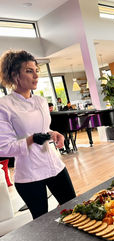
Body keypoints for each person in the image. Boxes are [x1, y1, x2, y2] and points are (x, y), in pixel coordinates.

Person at [0, 50, 76, 219]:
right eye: (29, 71)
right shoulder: (4, 106)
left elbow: (44, 129)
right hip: (29, 174)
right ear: (14, 75)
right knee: (42, 223)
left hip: (54, 166)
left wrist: (54, 134)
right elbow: (3, 148)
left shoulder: (40, 101)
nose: (35, 76)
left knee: (73, 210)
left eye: (36, 71)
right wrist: (30, 140)